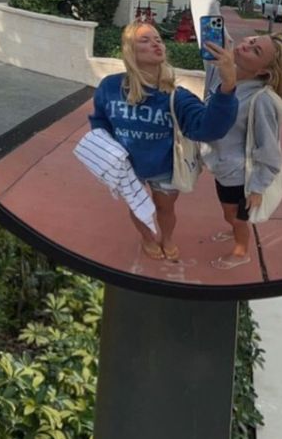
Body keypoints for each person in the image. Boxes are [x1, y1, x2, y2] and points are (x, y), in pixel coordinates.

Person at [87, 21, 238, 261]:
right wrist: (108, 151)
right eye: (144, 40)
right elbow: (99, 120)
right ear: (130, 50)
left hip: (165, 168)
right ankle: (148, 238)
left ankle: (167, 238)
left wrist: (228, 86)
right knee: (138, 207)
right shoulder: (110, 87)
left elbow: (210, 128)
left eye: (157, 39)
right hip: (127, 169)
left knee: (165, 209)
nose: (155, 43)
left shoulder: (176, 96)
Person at [188, 0, 282, 269]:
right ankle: (233, 228)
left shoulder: (261, 100)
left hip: (240, 175)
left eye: (256, 49)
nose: (246, 44)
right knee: (228, 212)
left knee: (234, 214)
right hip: (218, 164)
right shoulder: (218, 64)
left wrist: (259, 188)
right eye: (250, 39)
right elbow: (207, 18)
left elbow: (270, 151)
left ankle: (240, 250)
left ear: (264, 71)